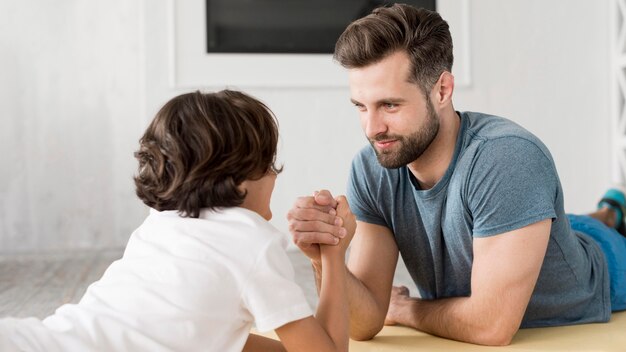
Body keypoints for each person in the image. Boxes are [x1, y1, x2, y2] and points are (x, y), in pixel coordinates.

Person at [287, 4, 626, 346]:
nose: (373, 129)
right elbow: (365, 320)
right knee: (567, 220)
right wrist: (325, 258)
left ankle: (612, 214)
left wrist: (406, 309)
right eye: (361, 106)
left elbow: (489, 327)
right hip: (518, 228)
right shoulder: (372, 167)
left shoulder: (507, 160)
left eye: (390, 105)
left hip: (604, 266)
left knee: (590, 231)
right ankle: (612, 208)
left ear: (443, 90)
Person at [0, 90, 354, 351]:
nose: (275, 176)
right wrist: (333, 255)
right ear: (241, 182)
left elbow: (207, 336)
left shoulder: (161, 223)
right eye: (269, 164)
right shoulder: (253, 243)